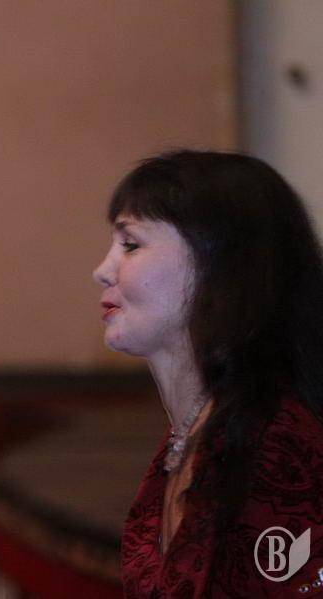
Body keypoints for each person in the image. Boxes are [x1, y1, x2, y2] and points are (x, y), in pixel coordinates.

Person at [93, 150, 323, 597]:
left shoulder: (278, 449)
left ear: (220, 268)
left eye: (131, 244)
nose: (101, 271)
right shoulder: (195, 433)